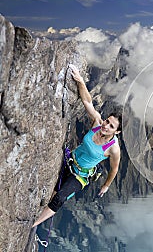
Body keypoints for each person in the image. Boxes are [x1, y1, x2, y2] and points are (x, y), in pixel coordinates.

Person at [32, 64, 122, 228]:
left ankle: (33, 224)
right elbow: (87, 101)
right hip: (70, 159)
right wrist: (80, 80)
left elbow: (114, 169)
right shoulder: (97, 123)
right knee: (52, 192)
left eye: (111, 126)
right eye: (107, 121)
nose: (106, 126)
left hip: (80, 176)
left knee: (59, 198)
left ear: (117, 132)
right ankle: (39, 213)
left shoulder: (113, 149)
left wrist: (106, 185)